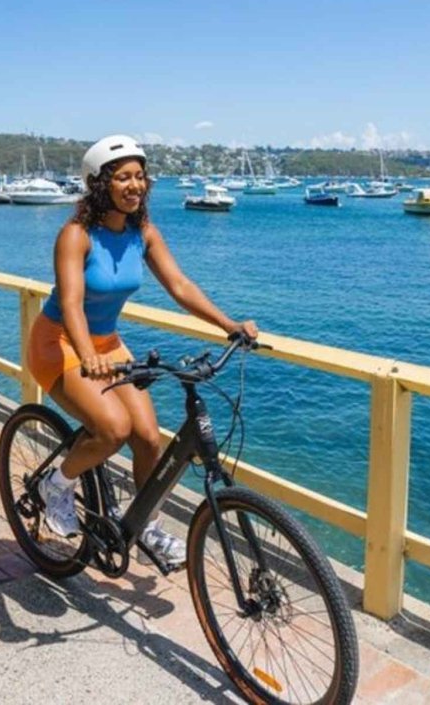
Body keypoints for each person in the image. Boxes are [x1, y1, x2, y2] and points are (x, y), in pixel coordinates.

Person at [27, 134, 257, 568]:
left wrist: (228, 324)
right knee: (113, 429)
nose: (136, 185)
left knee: (150, 438)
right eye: (123, 178)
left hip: (108, 343)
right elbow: (72, 303)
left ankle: (144, 523)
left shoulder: (142, 233)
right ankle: (55, 487)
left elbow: (180, 286)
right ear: (100, 184)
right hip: (58, 341)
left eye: (140, 176)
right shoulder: (76, 236)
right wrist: (86, 354)